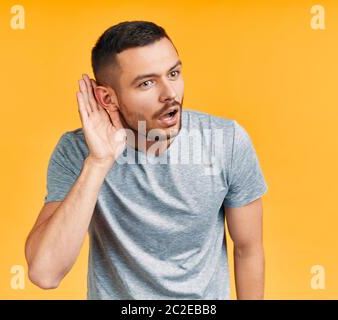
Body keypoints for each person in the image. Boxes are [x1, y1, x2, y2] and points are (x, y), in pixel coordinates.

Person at [25, 20, 268, 300]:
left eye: (174, 73)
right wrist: (98, 162)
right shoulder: (77, 152)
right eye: (147, 83)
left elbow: (248, 249)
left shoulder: (227, 141)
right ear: (107, 98)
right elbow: (45, 273)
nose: (170, 94)